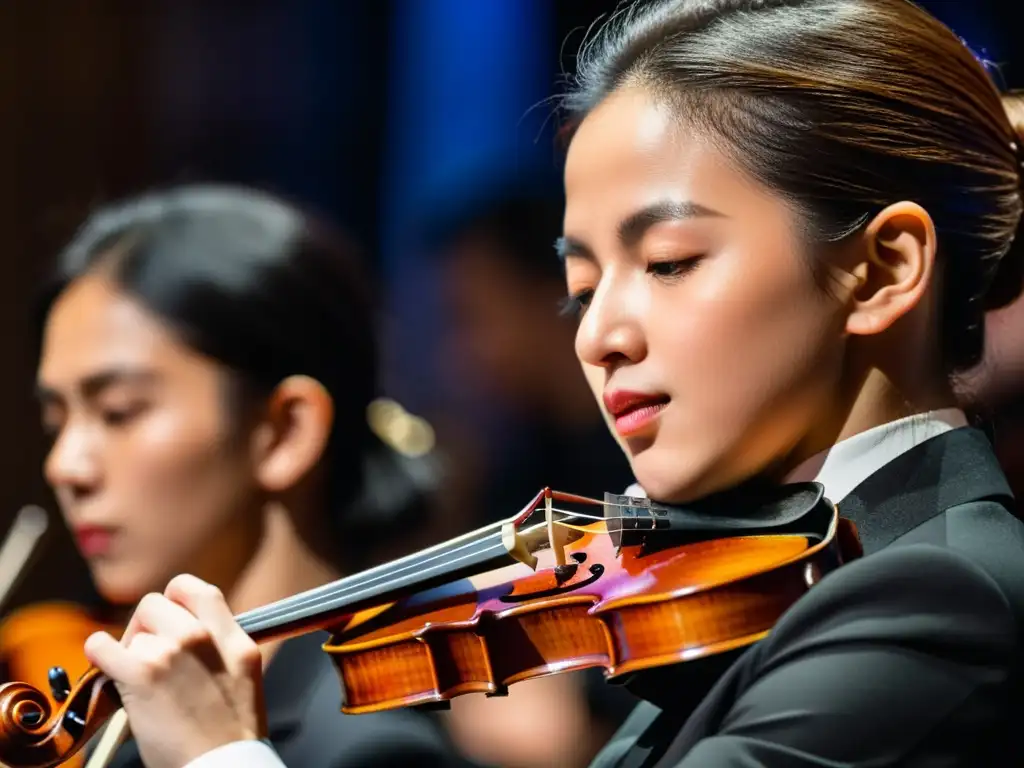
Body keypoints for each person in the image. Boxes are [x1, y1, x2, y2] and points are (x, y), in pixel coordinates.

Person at [55, 0, 1024, 766]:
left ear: (885, 268)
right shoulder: (784, 581)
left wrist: (226, 760)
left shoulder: (938, 595)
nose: (598, 336)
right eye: (579, 287)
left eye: (670, 261)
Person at [31, 184, 463, 767]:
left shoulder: (371, 751)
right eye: (57, 421)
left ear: (284, 431)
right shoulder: (133, 731)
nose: (64, 466)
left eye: (119, 411)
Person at [427, 184, 638, 767]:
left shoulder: (643, 465)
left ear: (553, 297)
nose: (461, 354)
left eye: (472, 317)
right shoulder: (521, 467)